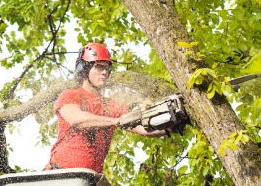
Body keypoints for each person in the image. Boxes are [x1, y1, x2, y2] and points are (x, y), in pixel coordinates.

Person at [45, 42, 169, 174]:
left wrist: (168, 126)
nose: (104, 72)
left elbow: (144, 129)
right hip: (59, 174)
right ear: (85, 69)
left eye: (107, 68)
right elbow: (77, 119)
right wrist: (115, 121)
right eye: (99, 67)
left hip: (91, 178)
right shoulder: (70, 95)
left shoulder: (111, 106)